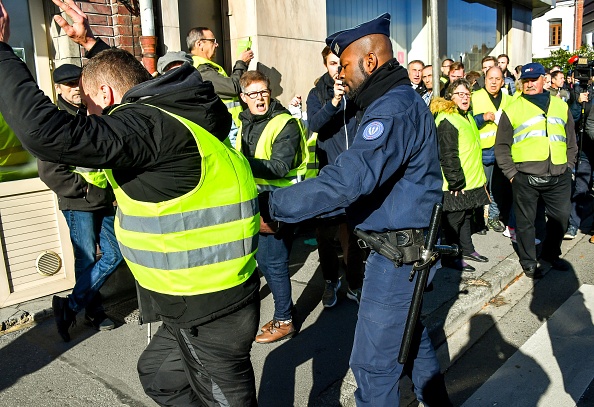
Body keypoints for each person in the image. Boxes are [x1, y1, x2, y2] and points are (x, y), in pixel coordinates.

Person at [0, 1, 260, 405]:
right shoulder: (175, 111)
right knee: (159, 375)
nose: (88, 117)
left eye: (88, 107)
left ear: (104, 96)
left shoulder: (145, 126)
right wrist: (90, 43)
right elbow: (133, 82)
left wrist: (1, 50)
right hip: (200, 302)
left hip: (206, 309)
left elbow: (47, 135)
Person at [264, 13, 451, 407]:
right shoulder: (390, 102)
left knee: (373, 370)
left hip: (398, 260)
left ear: (370, 62)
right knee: (411, 342)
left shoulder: (392, 109)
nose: (341, 76)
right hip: (403, 253)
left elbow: (349, 180)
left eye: (345, 65)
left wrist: (273, 206)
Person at [37, 63, 123, 341]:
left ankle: (70, 305)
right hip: (79, 202)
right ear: (58, 89)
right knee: (86, 259)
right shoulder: (54, 120)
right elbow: (49, 171)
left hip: (105, 199)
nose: (75, 88)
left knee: (114, 254)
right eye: (69, 84)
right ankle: (94, 311)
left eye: (78, 83)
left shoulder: (94, 112)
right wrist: (84, 191)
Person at [236, 70, 307, 343]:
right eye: (253, 94)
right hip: (258, 199)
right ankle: (281, 314)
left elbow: (279, 167)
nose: (260, 98)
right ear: (243, 98)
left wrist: (237, 161)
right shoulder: (244, 122)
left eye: (264, 92)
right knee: (263, 260)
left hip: (278, 202)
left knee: (273, 263)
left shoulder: (284, 123)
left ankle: (285, 320)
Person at [495, 62, 577, 279]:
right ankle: (529, 261)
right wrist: (512, 174)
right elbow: (501, 146)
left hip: (559, 175)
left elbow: (571, 139)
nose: (529, 84)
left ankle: (551, 254)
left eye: (534, 80)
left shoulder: (560, 105)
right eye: (526, 81)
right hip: (525, 176)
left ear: (544, 80)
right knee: (525, 223)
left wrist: (569, 165)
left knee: (561, 218)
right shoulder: (513, 108)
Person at [306, 46, 364, 307]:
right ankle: (331, 281)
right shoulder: (317, 93)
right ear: (325, 65)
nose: (338, 69)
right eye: (332, 64)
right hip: (329, 172)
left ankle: (354, 283)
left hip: (355, 172)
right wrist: (333, 104)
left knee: (352, 234)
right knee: (324, 233)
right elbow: (314, 124)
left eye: (341, 64)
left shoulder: (357, 90)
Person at [431, 79, 490, 273]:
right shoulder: (447, 119)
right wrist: (456, 182)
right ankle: (451, 257)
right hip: (456, 184)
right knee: (453, 222)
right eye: (460, 94)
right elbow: (448, 155)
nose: (465, 98)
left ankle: (467, 249)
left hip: (470, 180)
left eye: (467, 94)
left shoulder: (466, 116)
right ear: (450, 97)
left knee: (465, 217)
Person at [187, 26, 253, 128]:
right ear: (199, 44)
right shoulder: (201, 68)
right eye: (213, 41)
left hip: (227, 124)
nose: (217, 45)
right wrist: (241, 63)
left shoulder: (203, 65)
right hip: (226, 127)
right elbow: (232, 88)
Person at [471, 66, 511, 234]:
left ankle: (494, 217)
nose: (493, 82)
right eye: (490, 79)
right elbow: (467, 122)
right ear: (485, 80)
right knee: (481, 187)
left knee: (498, 188)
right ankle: (478, 220)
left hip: (503, 150)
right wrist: (483, 118)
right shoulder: (475, 97)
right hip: (482, 150)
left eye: (497, 79)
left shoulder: (509, 99)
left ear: (502, 81)